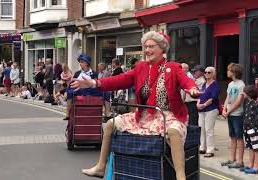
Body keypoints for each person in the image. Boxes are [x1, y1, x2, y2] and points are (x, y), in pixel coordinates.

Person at [71, 31, 199, 180]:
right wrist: (93, 83)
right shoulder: (141, 67)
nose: (147, 50)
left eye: (151, 46)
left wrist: (192, 89)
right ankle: (100, 167)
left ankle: (180, 176)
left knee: (174, 132)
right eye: (145, 46)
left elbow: (186, 82)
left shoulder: (173, 67)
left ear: (162, 48)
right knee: (110, 124)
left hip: (167, 115)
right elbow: (119, 80)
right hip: (144, 115)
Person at [221, 63, 245, 169]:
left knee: (239, 137)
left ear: (234, 72)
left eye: (228, 70)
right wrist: (224, 109)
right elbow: (228, 97)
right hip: (230, 113)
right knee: (232, 137)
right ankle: (232, 159)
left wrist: (229, 111)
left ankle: (240, 161)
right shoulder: (230, 84)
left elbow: (239, 102)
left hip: (237, 114)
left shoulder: (241, 85)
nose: (227, 71)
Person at [64, 53, 101, 121]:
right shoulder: (77, 73)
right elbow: (72, 83)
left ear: (86, 63)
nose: (80, 63)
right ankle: (67, 113)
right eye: (80, 62)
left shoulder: (94, 73)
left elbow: (96, 84)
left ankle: (106, 113)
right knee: (69, 92)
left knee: (105, 93)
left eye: (82, 62)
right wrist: (66, 91)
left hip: (90, 90)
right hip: (78, 91)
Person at [197, 66, 220, 158]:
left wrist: (203, 105)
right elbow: (200, 94)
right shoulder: (204, 84)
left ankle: (210, 150)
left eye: (209, 72)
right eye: (205, 72)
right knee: (201, 129)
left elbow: (213, 98)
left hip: (211, 109)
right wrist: (198, 103)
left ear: (213, 74)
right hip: (202, 110)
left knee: (208, 130)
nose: (206, 73)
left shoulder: (215, 84)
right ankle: (202, 147)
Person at [241, 85, 258, 174]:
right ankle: (251, 165)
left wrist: (254, 129)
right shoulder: (248, 103)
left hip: (254, 131)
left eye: (244, 92)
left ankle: (256, 167)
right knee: (250, 147)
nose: (243, 93)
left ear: (248, 94)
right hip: (248, 130)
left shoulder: (255, 104)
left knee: (256, 148)